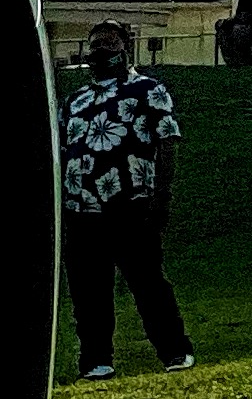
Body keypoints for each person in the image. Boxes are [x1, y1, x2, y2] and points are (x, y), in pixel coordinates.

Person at [59, 21, 192, 379]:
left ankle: (175, 351)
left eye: (109, 43)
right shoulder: (75, 101)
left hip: (130, 205)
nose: (101, 50)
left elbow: (166, 140)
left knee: (147, 283)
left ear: (125, 47)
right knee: (88, 292)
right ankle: (96, 360)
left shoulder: (149, 90)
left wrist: (163, 194)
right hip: (81, 211)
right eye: (95, 44)